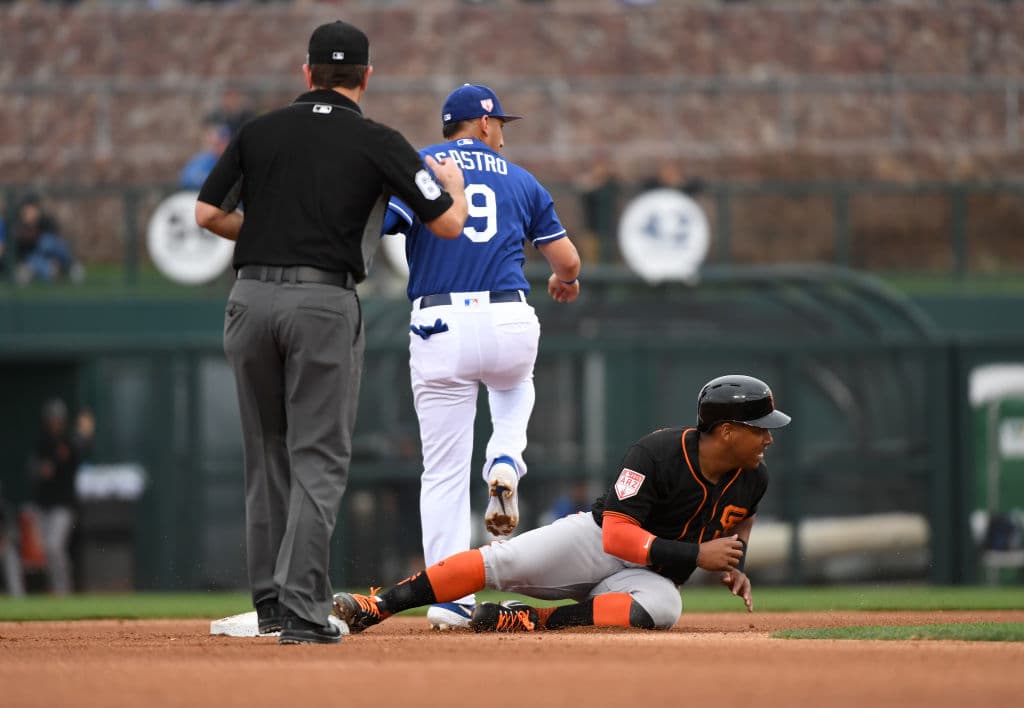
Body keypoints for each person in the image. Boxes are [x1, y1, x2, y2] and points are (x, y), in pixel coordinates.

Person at [194, 20, 467, 645]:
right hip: (322, 301)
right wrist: (451, 188)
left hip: (250, 298)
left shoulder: (258, 131)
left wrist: (264, 233)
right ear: (366, 77)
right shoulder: (377, 140)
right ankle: (302, 612)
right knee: (318, 459)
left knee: (266, 457)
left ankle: (268, 607)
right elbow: (447, 225)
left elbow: (207, 212)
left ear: (306, 72)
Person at [332, 374, 789, 634]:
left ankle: (530, 619)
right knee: (501, 561)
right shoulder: (658, 453)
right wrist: (696, 555)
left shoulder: (754, 477)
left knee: (665, 609)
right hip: (596, 543)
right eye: (760, 428)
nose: (769, 437)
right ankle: (380, 605)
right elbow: (616, 534)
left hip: (648, 574)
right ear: (727, 431)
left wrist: (735, 561)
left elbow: (740, 521)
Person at [380, 83, 581, 630]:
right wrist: (567, 281)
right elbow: (566, 259)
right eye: (501, 125)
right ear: (485, 124)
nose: (502, 134)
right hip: (508, 316)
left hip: (439, 320)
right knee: (516, 386)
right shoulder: (522, 180)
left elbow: (387, 228)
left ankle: (450, 598)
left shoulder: (420, 165)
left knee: (443, 472)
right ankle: (506, 458)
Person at [26, 399, 94, 595]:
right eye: (52, 419)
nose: (54, 422)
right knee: (46, 551)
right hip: (43, 503)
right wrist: (40, 470)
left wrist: (85, 430)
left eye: (57, 419)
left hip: (63, 505)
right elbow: (31, 468)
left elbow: (83, 444)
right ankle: (55, 589)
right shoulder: (42, 442)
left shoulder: (68, 442)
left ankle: (64, 590)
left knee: (54, 546)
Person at [11, 193, 82, 285]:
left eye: (32, 209)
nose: (29, 212)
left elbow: (54, 240)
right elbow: (19, 247)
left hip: (49, 252)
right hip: (33, 255)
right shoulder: (18, 224)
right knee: (34, 261)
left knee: (47, 242)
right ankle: (56, 272)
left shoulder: (45, 220)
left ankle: (71, 265)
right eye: (27, 209)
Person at [179, 116, 232, 190]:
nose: (219, 147)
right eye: (216, 144)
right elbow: (187, 179)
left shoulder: (234, 162)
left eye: (222, 143)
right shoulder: (202, 160)